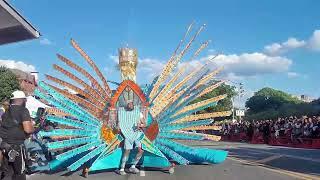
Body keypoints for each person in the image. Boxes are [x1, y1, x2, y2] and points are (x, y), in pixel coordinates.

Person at [0, 91, 34, 180]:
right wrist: (32, 127)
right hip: (16, 147)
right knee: (19, 173)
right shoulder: (23, 110)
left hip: (4, 146)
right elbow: (28, 129)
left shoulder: (6, 112)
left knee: (7, 172)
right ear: (22, 100)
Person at [118, 101, 145, 175]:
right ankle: (122, 168)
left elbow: (144, 124)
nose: (130, 105)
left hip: (137, 133)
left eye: (131, 103)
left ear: (133, 104)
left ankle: (133, 166)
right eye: (129, 104)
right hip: (127, 134)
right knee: (127, 151)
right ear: (126, 105)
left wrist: (140, 125)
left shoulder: (138, 113)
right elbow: (119, 124)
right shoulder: (122, 113)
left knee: (141, 150)